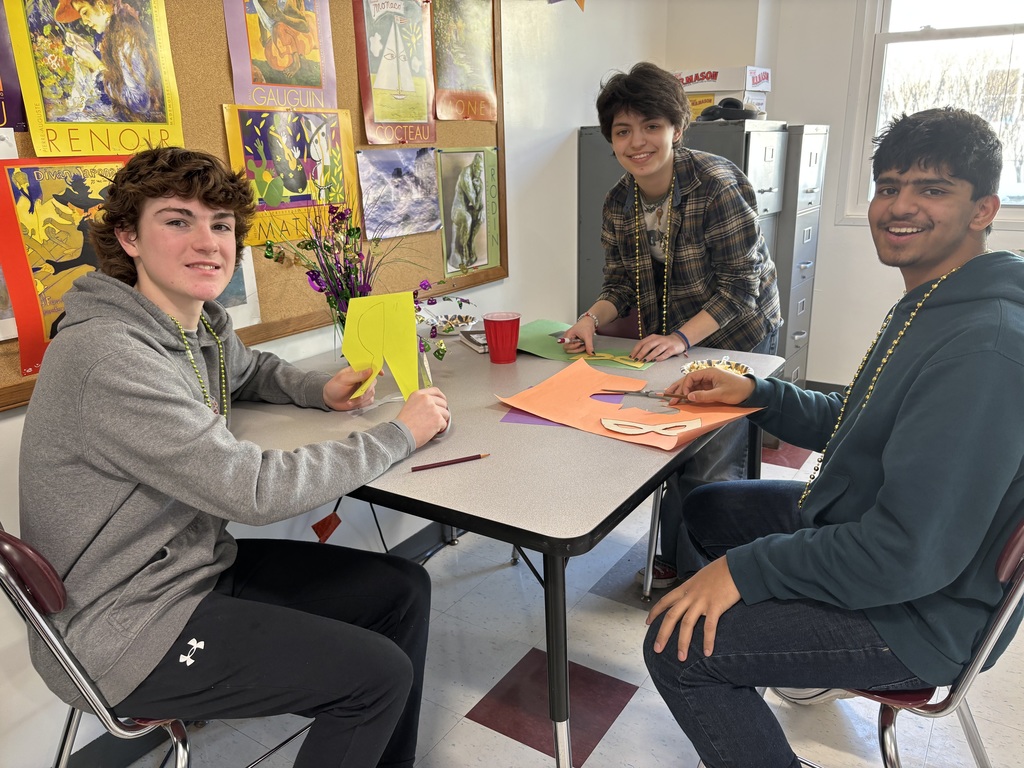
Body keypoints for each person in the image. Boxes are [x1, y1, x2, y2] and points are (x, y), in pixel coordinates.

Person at [19, 146, 451, 768]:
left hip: (190, 570)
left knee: (403, 587)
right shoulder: (109, 355)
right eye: (177, 220)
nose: (207, 242)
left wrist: (317, 390)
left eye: (220, 225)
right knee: (375, 676)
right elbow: (253, 492)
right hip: (124, 623)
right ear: (127, 237)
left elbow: (247, 370)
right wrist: (400, 434)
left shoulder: (195, 326)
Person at [642, 107, 1024, 768]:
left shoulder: (985, 347)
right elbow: (868, 421)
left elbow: (904, 554)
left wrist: (747, 570)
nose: (899, 206)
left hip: (917, 614)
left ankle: (737, 661)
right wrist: (759, 394)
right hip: (872, 533)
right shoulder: (936, 301)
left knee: (674, 651)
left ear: (983, 209)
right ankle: (751, 650)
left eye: (932, 190)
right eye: (887, 186)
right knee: (710, 510)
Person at [564, 62, 782, 588]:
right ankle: (675, 560)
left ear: (677, 129)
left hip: (736, 338)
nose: (637, 142)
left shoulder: (716, 185)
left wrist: (682, 337)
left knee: (708, 466)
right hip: (675, 341)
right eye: (622, 130)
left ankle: (704, 579)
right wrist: (590, 318)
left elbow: (740, 289)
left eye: (651, 126)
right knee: (672, 455)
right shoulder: (620, 199)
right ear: (610, 139)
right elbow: (620, 284)